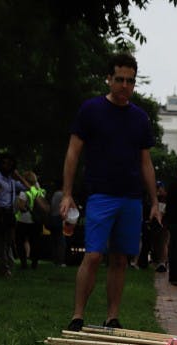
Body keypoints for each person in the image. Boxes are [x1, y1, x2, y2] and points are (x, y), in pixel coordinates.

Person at [60, 52, 161, 330]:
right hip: (100, 194)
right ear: (108, 78)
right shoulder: (90, 110)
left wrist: (154, 201)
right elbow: (73, 152)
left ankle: (112, 317)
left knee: (120, 258)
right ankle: (77, 315)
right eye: (119, 79)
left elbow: (146, 162)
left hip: (131, 197)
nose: (124, 85)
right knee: (93, 255)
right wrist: (67, 193)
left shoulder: (140, 118)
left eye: (130, 81)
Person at [0, 152, 30, 277]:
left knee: (9, 242)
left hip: (10, 213)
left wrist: (19, 176)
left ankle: (5, 267)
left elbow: (28, 188)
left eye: (10, 163)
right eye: (4, 163)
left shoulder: (11, 181)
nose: (7, 165)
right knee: (1, 242)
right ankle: (5, 268)